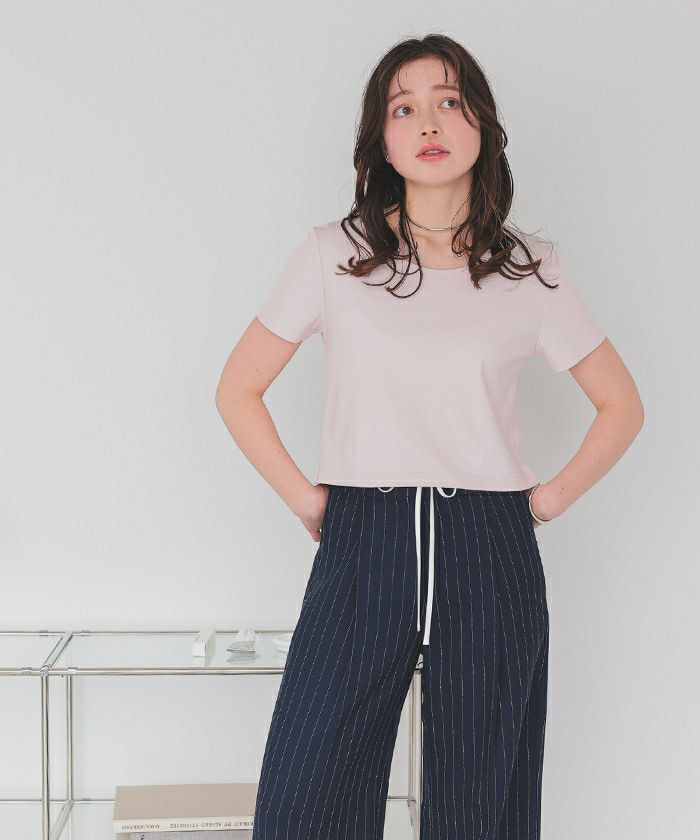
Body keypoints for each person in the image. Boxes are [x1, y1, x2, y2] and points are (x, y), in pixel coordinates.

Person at [216, 34, 644, 840]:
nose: (429, 122)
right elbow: (237, 389)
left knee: (480, 805)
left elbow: (621, 404)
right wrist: (307, 498)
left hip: (489, 542)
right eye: (404, 108)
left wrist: (541, 504)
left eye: (449, 101)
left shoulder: (531, 268)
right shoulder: (335, 255)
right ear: (382, 140)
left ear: (481, 122)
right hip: (363, 534)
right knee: (307, 792)